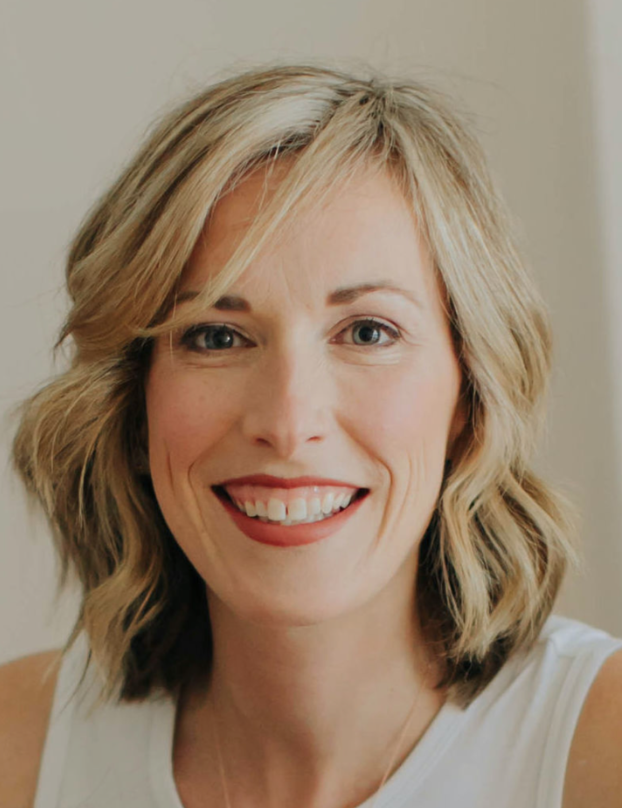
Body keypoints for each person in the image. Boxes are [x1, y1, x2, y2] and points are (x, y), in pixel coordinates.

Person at [1, 62, 621, 808]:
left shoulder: (598, 749)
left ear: (469, 399)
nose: (289, 425)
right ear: (133, 405)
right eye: (216, 337)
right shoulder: (20, 748)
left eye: (367, 331)